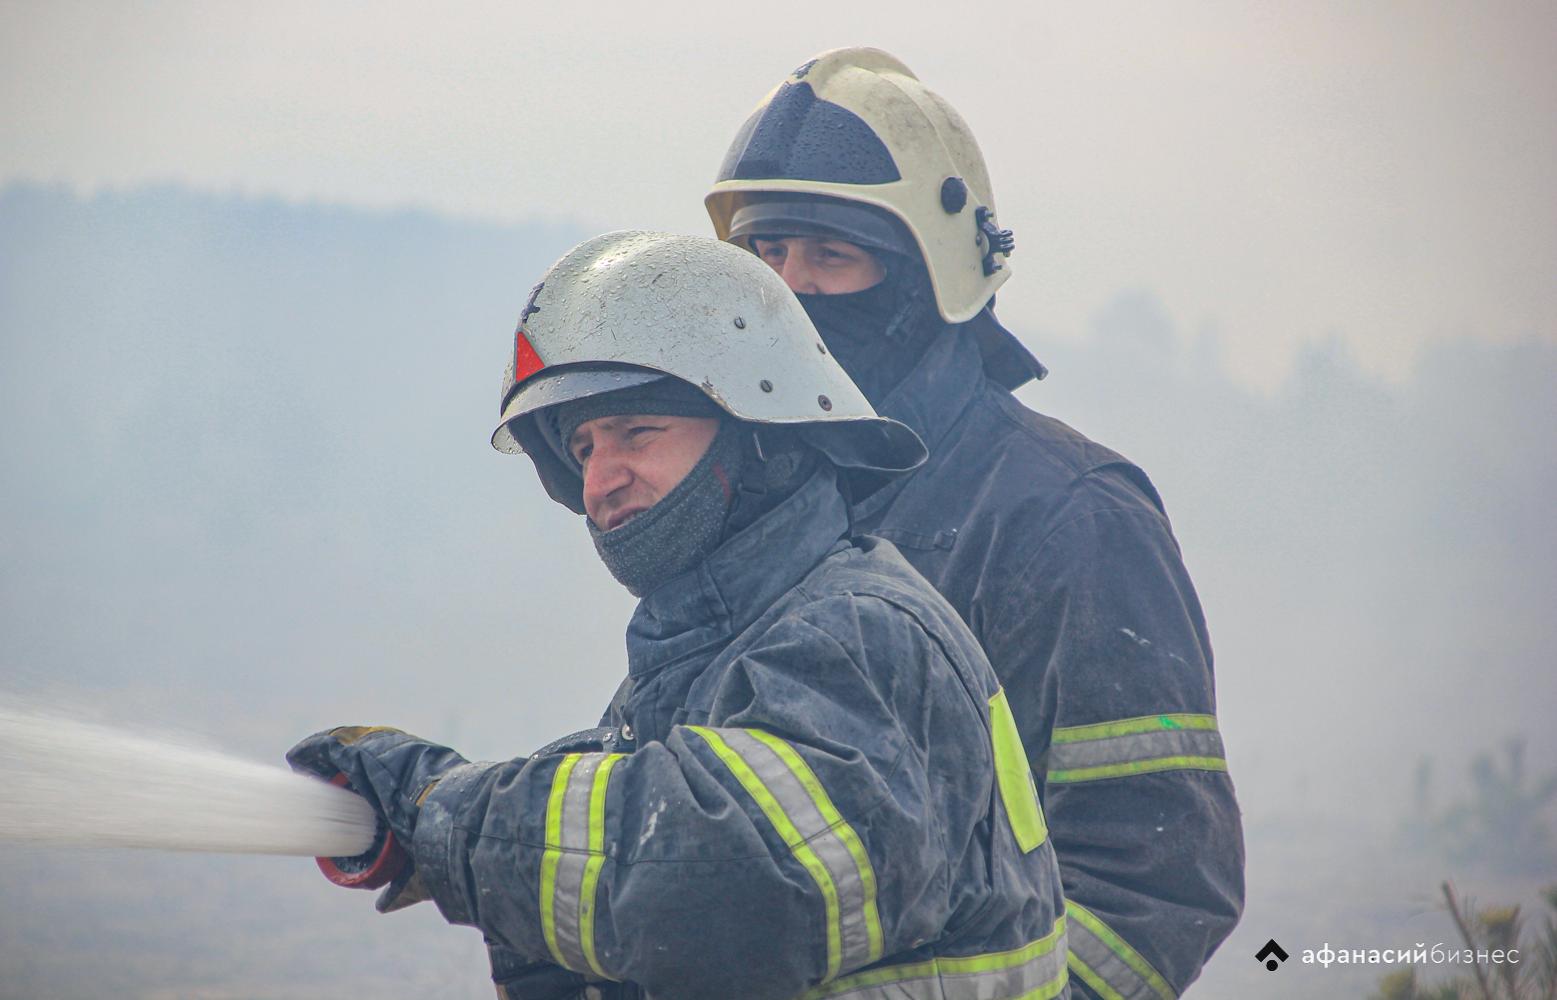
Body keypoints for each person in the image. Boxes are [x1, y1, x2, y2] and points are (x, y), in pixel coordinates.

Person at [289, 232, 1071, 1000]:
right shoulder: (722, 653)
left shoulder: (854, 633)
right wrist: (429, 833)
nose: (601, 479)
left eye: (638, 431)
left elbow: (728, 886)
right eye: (583, 447)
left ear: (760, 435)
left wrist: (443, 813)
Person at [704, 47, 1245, 998]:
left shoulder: (1069, 516)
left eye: (830, 253)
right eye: (765, 254)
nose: (788, 292)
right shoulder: (762, 504)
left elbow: (1154, 883)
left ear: (927, 281)